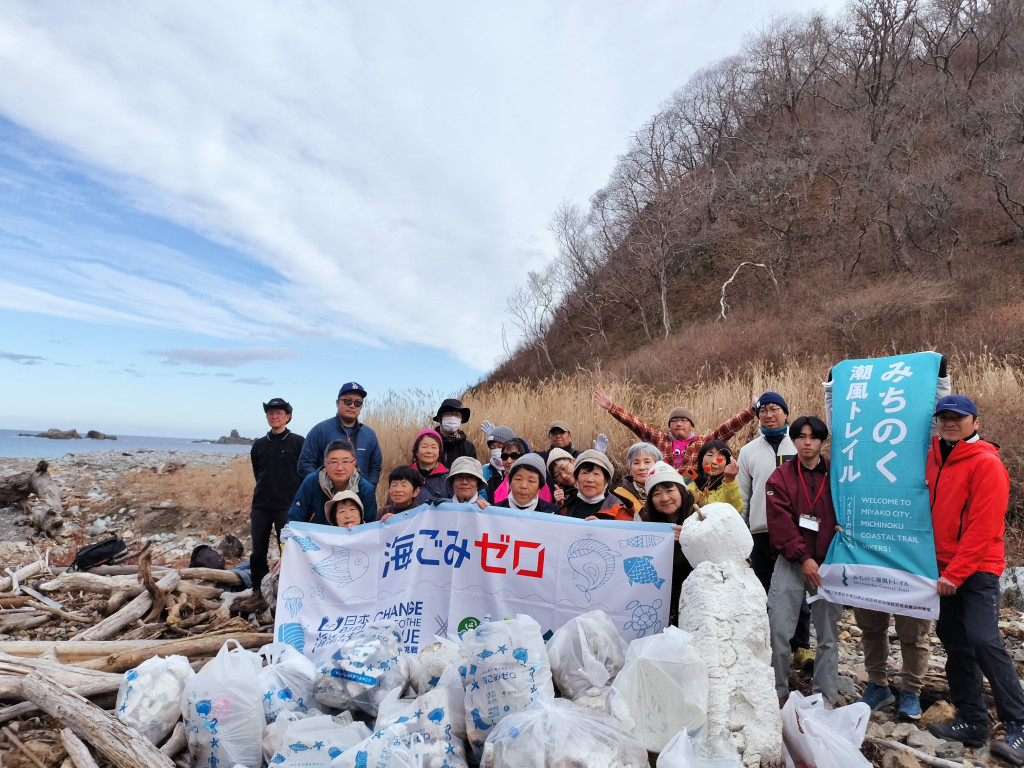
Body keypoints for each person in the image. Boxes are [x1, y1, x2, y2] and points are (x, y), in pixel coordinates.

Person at [924, 395, 1024, 763]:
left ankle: (1019, 724)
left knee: (984, 639)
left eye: (958, 418)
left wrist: (955, 573)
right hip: (943, 567)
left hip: (977, 567)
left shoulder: (986, 464)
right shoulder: (936, 457)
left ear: (975, 422)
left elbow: (984, 528)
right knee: (953, 639)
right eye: (944, 418)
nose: (950, 423)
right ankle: (972, 720)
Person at [765, 416, 843, 706]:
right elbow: (780, 523)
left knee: (828, 634)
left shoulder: (836, 474)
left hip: (829, 563)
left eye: (813, 437)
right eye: (801, 436)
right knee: (778, 630)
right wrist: (803, 557)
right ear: (793, 440)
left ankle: (825, 697)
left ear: (823, 441)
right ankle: (777, 692)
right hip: (791, 562)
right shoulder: (781, 477)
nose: (807, 442)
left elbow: (848, 510)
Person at [737, 391, 812, 670]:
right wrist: (742, 534)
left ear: (785, 413)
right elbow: (744, 495)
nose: (769, 414)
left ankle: (801, 647)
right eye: (763, 410)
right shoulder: (748, 452)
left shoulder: (799, 447)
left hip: (795, 531)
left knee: (797, 591)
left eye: (774, 409)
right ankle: (767, 645)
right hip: (760, 530)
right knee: (763, 590)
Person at [594, 389, 755, 476]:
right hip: (664, 489)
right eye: (674, 421)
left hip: (692, 492)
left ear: (691, 425)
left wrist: (751, 410)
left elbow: (728, 428)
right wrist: (612, 408)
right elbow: (638, 424)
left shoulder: (702, 442)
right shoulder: (659, 440)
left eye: (684, 421)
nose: (678, 424)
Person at [248, 398, 305, 596]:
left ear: (287, 417)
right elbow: (258, 473)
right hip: (261, 505)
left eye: (279, 413)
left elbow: (304, 474)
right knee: (258, 551)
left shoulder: (298, 442)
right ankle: (257, 590)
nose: (274, 417)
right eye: (271, 413)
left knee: (288, 551)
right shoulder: (259, 445)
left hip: (287, 506)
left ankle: (286, 588)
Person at [297, 383, 383, 487]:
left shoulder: (369, 434)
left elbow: (375, 466)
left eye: (357, 403)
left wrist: (369, 487)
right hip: (326, 499)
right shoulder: (319, 431)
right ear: (337, 403)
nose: (352, 406)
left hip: (360, 499)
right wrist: (321, 487)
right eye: (347, 401)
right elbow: (305, 464)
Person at [644, 461, 698, 625]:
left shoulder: (701, 514)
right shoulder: (646, 521)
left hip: (697, 595)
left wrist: (692, 537)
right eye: (656, 494)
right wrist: (599, 525)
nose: (665, 498)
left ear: (681, 490)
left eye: (669, 490)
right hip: (661, 597)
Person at [288, 440, 378, 525]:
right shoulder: (311, 482)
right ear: (325, 465)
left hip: (350, 539)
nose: (339, 468)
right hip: (315, 539)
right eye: (334, 462)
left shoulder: (366, 490)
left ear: (354, 464)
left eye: (345, 462)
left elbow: (370, 526)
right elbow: (295, 516)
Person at [563, 449, 633, 521]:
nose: (589, 479)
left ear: (606, 480)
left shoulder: (620, 511)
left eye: (596, 474)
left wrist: (602, 528)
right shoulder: (566, 507)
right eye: (584, 473)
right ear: (576, 478)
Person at [686, 440, 743, 513]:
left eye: (721, 458)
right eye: (710, 455)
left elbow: (736, 510)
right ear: (701, 458)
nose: (714, 462)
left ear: (727, 463)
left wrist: (730, 480)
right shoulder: (689, 477)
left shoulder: (729, 485)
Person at [492, 438, 553, 505]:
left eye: (514, 456)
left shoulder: (539, 484)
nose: (509, 461)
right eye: (504, 456)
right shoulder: (499, 490)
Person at [494, 454, 560, 513]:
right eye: (518, 479)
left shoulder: (551, 513)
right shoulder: (495, 512)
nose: (523, 486)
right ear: (510, 483)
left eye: (531, 481)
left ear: (539, 488)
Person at [611, 442, 663, 517]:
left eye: (647, 462)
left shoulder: (667, 492)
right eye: (636, 463)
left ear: (657, 465)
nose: (642, 467)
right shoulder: (619, 495)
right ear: (630, 468)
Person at [434, 398, 477, 469]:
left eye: (457, 415)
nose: (453, 418)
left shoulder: (468, 447)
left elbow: (471, 474)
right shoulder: (428, 444)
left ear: (461, 419)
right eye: (448, 414)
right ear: (439, 418)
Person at [409, 430, 449, 502]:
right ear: (416, 451)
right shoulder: (405, 475)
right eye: (424, 447)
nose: (429, 451)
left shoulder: (448, 477)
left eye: (434, 447)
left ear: (439, 452)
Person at [479, 423, 516, 500]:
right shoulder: (483, 471)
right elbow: (481, 496)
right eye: (493, 447)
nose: (496, 450)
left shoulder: (517, 471)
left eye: (500, 447)